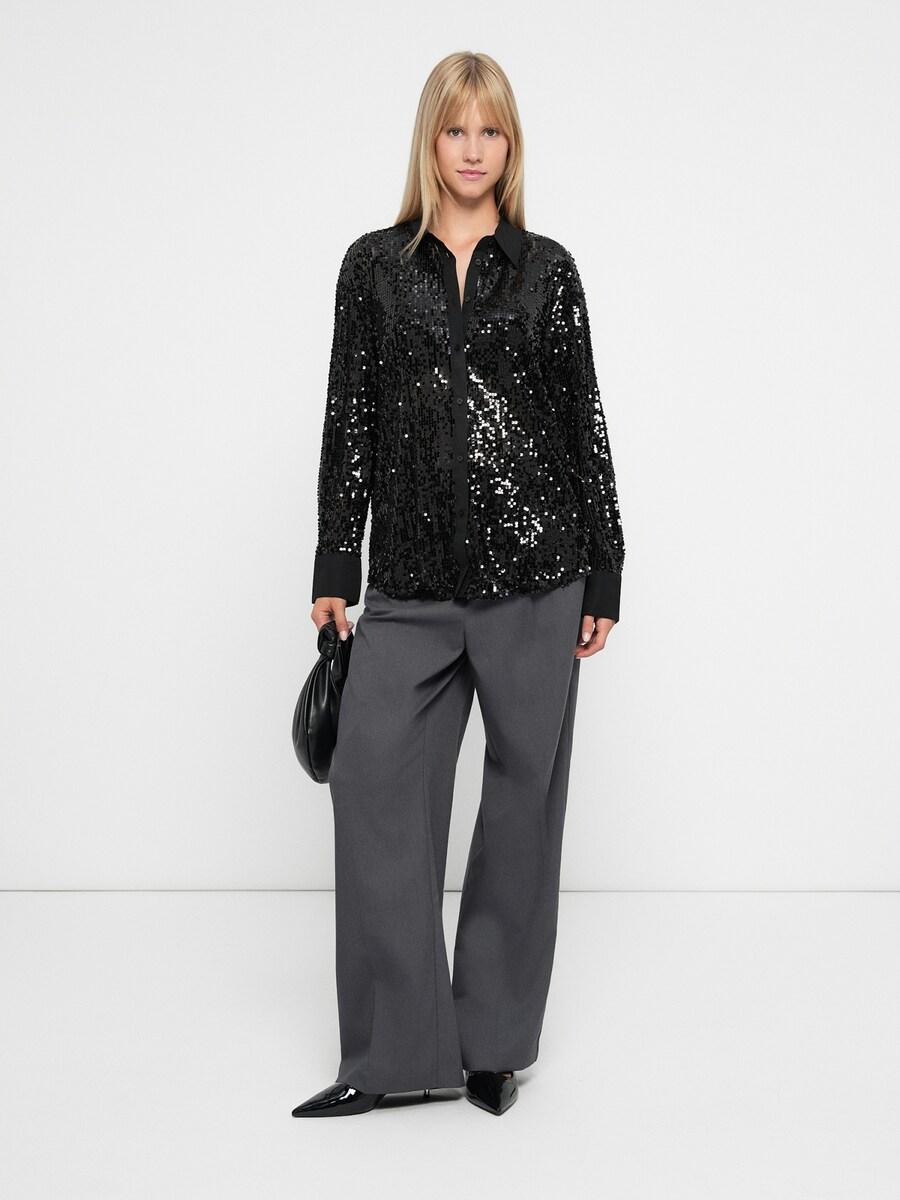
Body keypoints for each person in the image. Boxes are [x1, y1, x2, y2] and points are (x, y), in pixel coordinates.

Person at [292, 49, 625, 1119]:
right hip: (413, 583)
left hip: (539, 578)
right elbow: (349, 418)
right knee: (371, 787)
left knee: (523, 810)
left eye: (491, 131)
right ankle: (393, 1055)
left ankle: (492, 1047)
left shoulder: (548, 271)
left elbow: (581, 421)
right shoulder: (374, 269)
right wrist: (336, 561)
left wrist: (605, 568)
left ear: (510, 145)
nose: (473, 149)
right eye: (455, 129)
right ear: (429, 140)